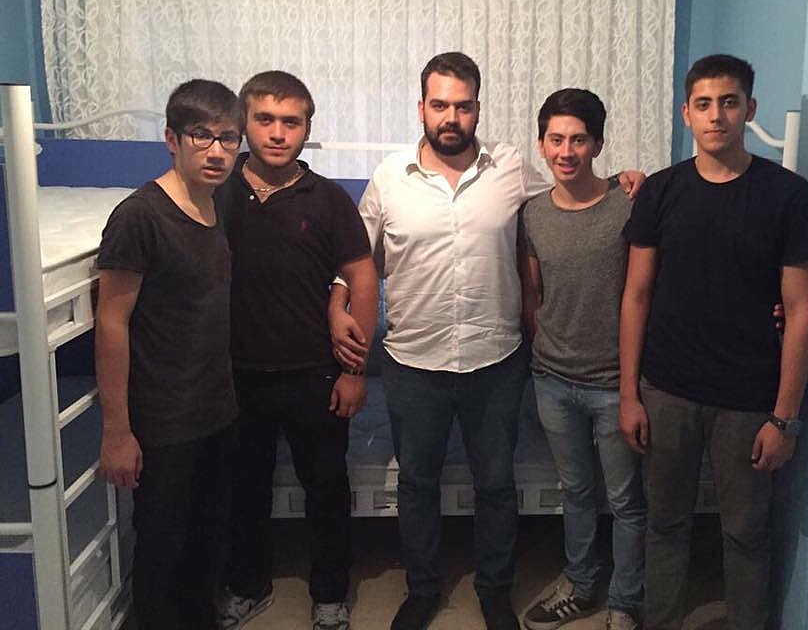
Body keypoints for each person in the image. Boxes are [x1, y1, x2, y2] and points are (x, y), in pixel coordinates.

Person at [331, 52, 642, 630]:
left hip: (494, 361)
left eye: (463, 106)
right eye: (440, 105)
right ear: (421, 107)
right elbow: (355, 257)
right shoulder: (389, 178)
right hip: (413, 363)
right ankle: (422, 590)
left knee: (496, 486)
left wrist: (627, 178)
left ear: (478, 108)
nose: (451, 117)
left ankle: (495, 590)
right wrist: (335, 301)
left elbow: (571, 189)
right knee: (417, 485)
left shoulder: (511, 168)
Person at [619, 54, 808, 630]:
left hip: (748, 400)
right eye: (704, 104)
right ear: (686, 113)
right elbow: (636, 295)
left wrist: (784, 418)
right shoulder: (661, 191)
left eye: (729, 102)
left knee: (746, 533)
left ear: (749, 109)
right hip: (667, 391)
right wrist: (630, 394)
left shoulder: (787, 196)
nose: (717, 116)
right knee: (664, 525)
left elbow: (803, 309)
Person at [215, 71, 378, 630]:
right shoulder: (216, 192)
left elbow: (363, 280)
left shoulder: (329, 198)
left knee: (326, 490)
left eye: (292, 121)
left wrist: (355, 372)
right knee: (243, 490)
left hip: (316, 375)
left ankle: (330, 593)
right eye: (265, 119)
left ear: (308, 128)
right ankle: (247, 584)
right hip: (236, 376)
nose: (278, 133)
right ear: (244, 123)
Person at [96, 79, 243, 630]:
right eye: (201, 135)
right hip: (163, 420)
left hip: (216, 410)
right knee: (162, 551)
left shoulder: (215, 206)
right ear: (171, 139)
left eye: (228, 138)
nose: (216, 150)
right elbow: (111, 322)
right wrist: (117, 431)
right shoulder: (140, 216)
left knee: (207, 545)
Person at [518, 89, 645, 630]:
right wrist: (544, 345)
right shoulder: (532, 213)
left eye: (578, 139)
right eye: (556, 139)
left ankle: (625, 601)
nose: (566, 151)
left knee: (626, 500)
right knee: (576, 491)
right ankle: (581, 583)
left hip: (615, 383)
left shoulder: (629, 203)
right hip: (552, 379)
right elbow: (532, 293)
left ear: (597, 143)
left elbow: (645, 291)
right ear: (541, 144)